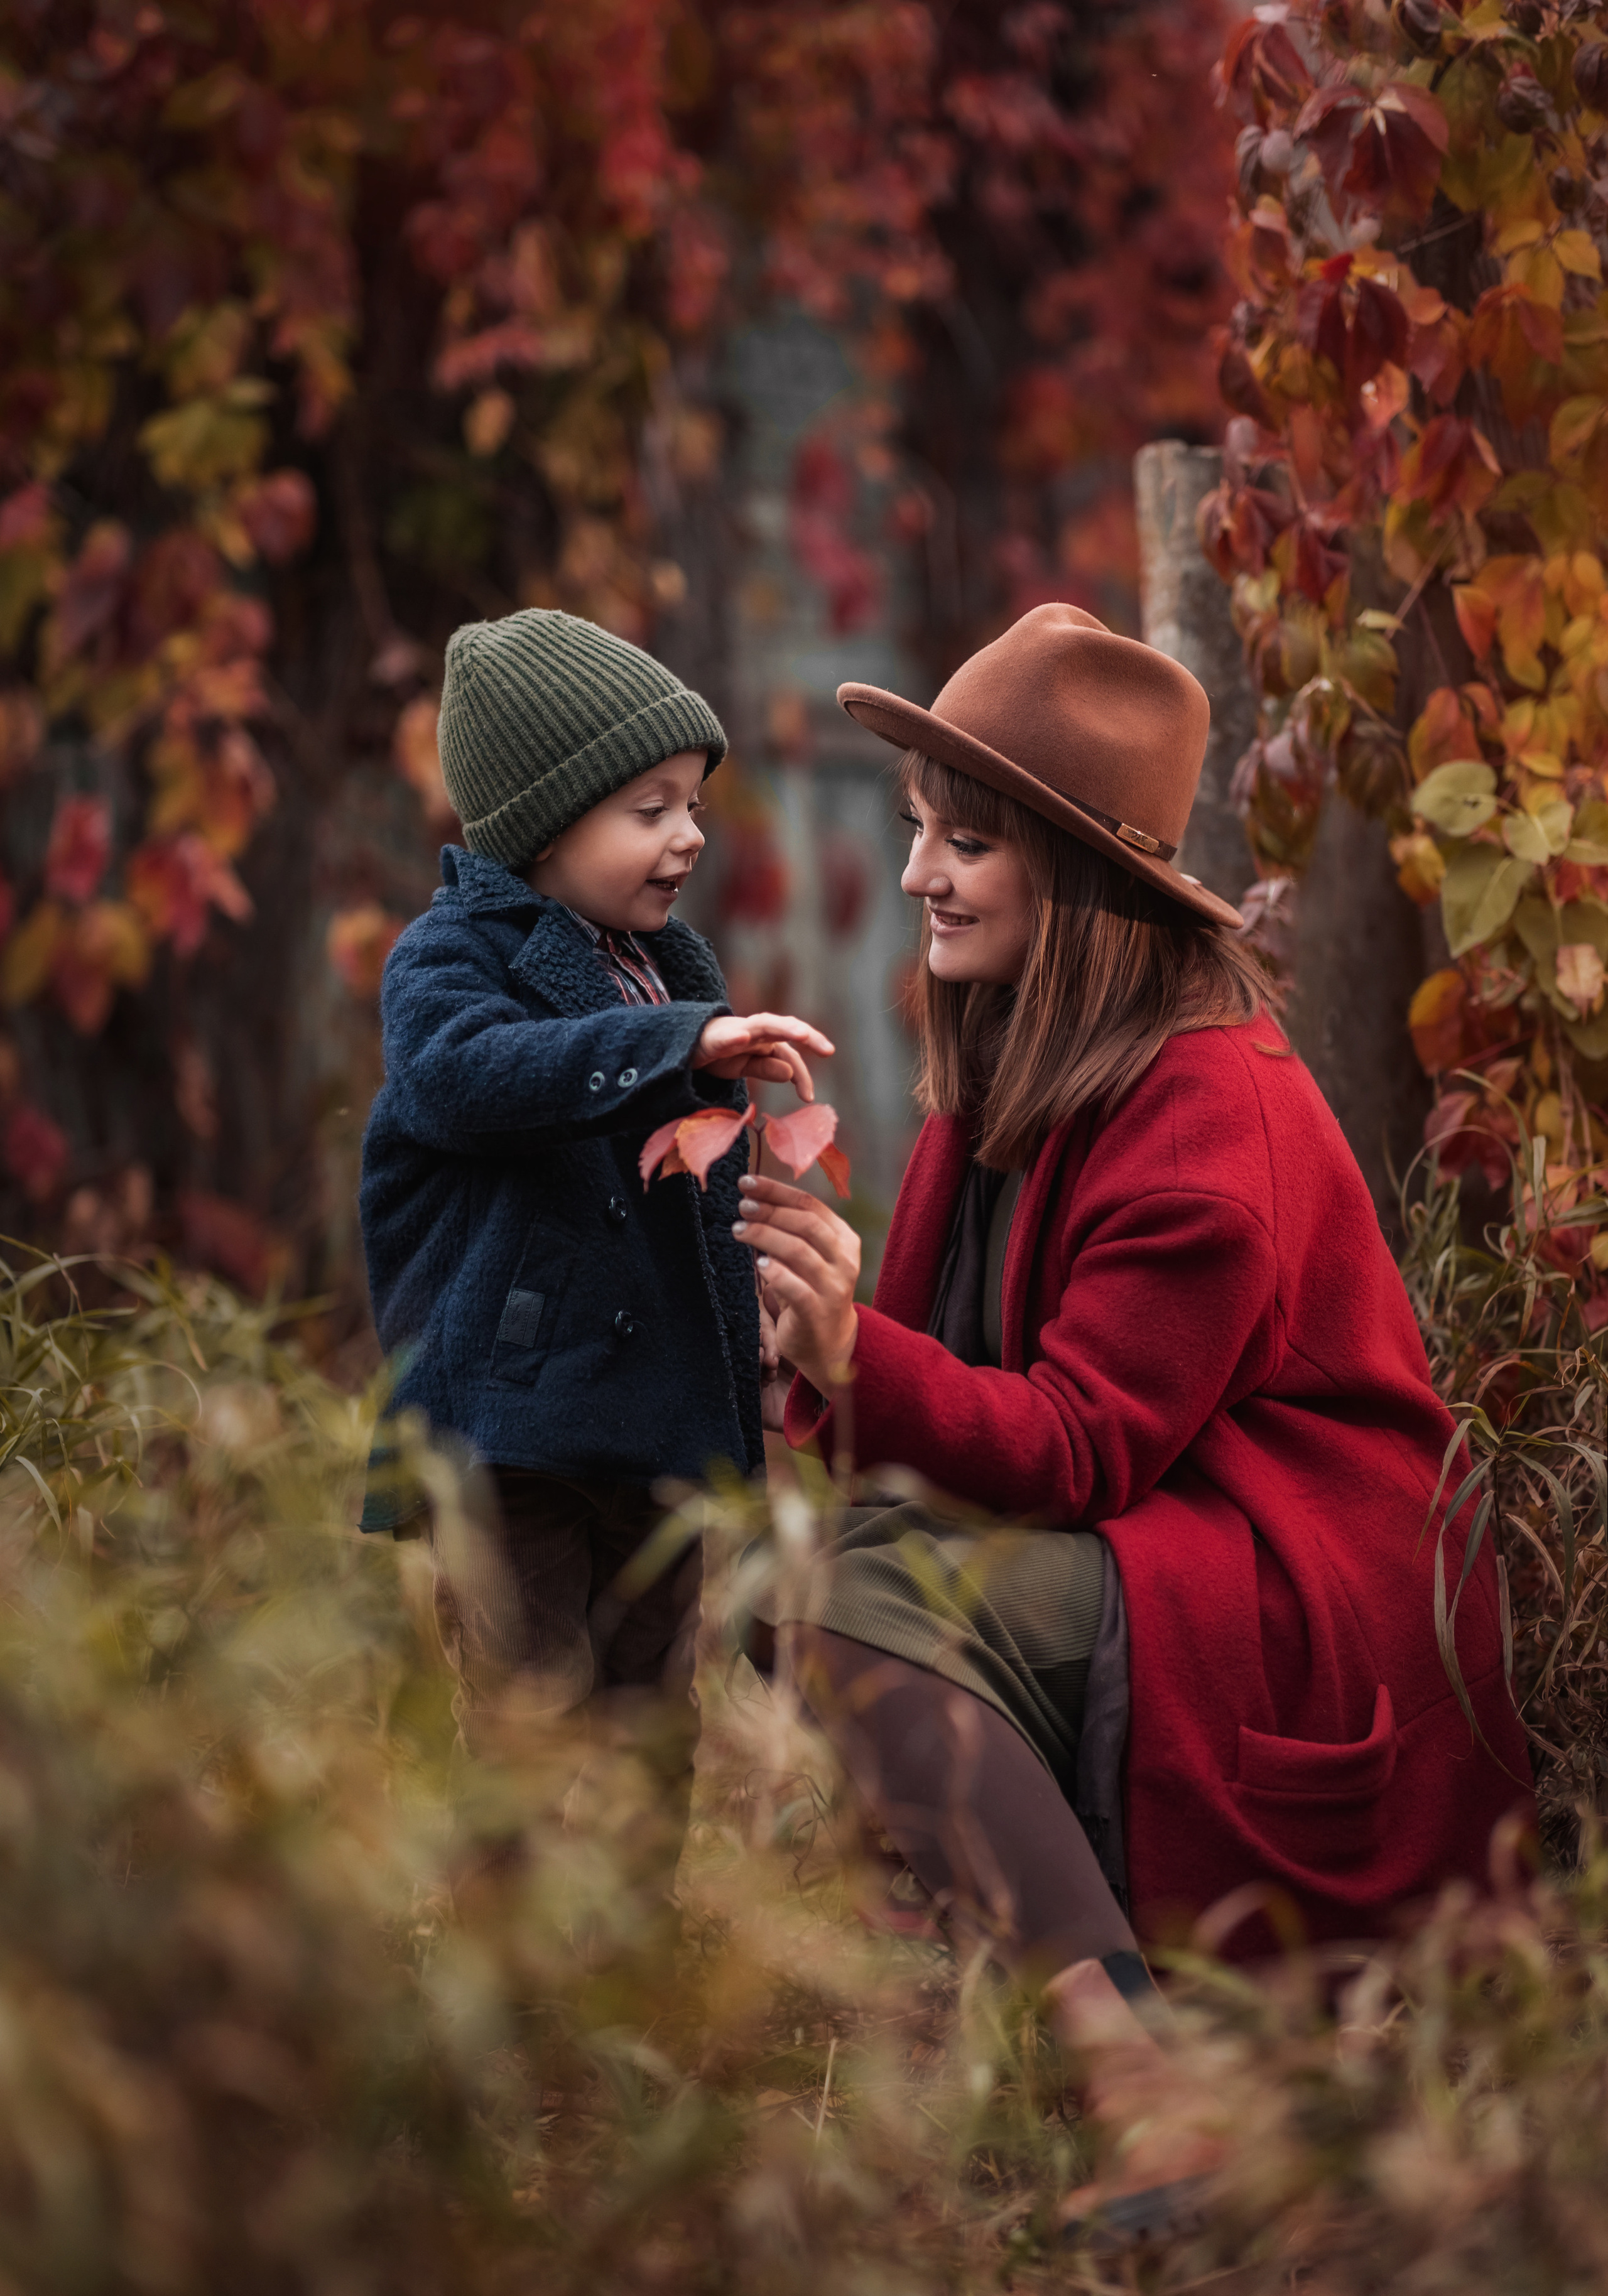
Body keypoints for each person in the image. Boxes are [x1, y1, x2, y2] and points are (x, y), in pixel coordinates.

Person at [734, 602, 1533, 2229]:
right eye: (917, 836)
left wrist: (850, 1356)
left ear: (1080, 875)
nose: (916, 880)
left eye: (966, 845)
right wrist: (802, 1349)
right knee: (828, 1566)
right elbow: (938, 1407)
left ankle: (1143, 2081)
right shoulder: (1013, 1070)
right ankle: (996, 2025)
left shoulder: (1209, 1105)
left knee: (862, 1589)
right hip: (1166, 1538)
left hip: (1306, 1588)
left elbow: (1072, 1444)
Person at [359, 607, 829, 1866]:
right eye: (648, 807)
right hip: (511, 1418)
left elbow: (695, 1199)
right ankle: (509, 1996)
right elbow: (467, 1078)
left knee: (646, 1711)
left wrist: (751, 1373)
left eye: (690, 803)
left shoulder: (668, 964)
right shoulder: (452, 960)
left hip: (652, 1423)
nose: (687, 835)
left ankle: (628, 1995)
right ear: (543, 822)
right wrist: (671, 1047)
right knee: (527, 1706)